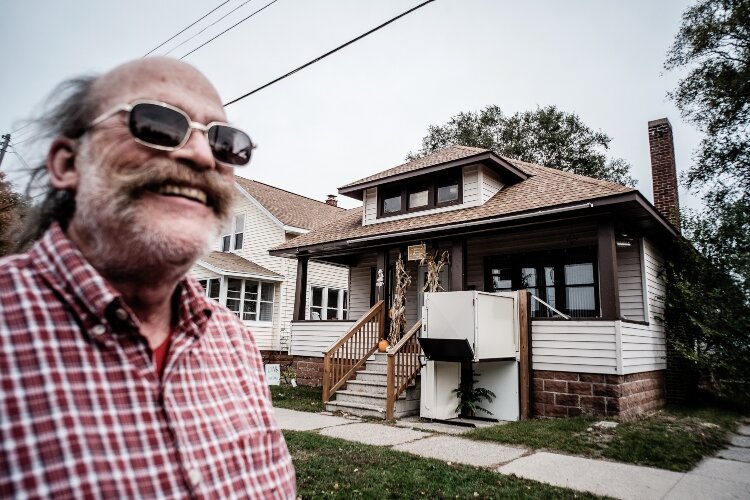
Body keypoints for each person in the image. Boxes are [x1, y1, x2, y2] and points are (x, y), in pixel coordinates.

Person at [0, 58, 296, 498]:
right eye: (156, 123)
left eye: (225, 143)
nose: (200, 155)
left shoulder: (235, 341)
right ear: (68, 163)